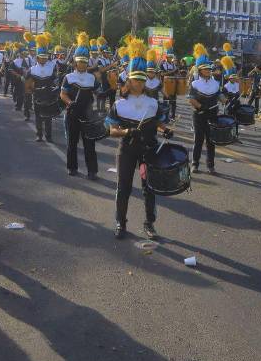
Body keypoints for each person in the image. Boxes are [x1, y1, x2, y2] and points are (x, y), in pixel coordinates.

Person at [105, 38, 173, 239]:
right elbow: (111, 130)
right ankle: (120, 223)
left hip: (148, 150)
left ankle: (149, 224)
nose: (140, 82)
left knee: (148, 187)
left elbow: (159, 121)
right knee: (123, 186)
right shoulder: (120, 104)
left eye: (142, 79)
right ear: (129, 80)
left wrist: (165, 130)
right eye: (136, 79)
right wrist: (126, 132)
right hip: (127, 150)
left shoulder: (152, 103)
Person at [60, 33, 100, 179]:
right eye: (80, 61)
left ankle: (92, 171)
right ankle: (72, 167)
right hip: (72, 113)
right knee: (72, 142)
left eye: (84, 61)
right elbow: (62, 95)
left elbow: (97, 92)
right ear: (75, 62)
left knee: (90, 143)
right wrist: (70, 102)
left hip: (87, 114)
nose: (82, 64)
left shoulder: (91, 78)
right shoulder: (68, 77)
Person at [187, 43, 220, 174]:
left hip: (213, 115)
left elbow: (220, 96)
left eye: (209, 69)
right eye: (205, 69)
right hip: (199, 115)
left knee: (211, 141)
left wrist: (226, 98)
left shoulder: (215, 83)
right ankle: (195, 164)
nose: (208, 71)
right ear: (200, 71)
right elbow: (191, 99)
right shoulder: (195, 84)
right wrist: (201, 107)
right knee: (199, 140)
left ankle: (210, 165)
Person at [30, 34, 57, 143]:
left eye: (45, 57)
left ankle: (48, 136)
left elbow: (55, 81)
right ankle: (39, 135)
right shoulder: (32, 69)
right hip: (36, 95)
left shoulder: (51, 68)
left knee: (48, 117)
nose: (44, 59)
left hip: (48, 95)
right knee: (38, 117)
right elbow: (27, 82)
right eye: (42, 57)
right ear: (37, 57)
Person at [159, 46, 178, 120]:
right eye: (169, 57)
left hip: (173, 85)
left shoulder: (174, 65)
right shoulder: (162, 65)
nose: (171, 58)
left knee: (173, 102)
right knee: (166, 101)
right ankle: (165, 116)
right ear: (166, 57)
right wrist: (173, 71)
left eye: (171, 57)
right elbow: (162, 74)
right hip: (165, 85)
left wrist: (178, 75)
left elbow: (176, 74)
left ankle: (173, 116)